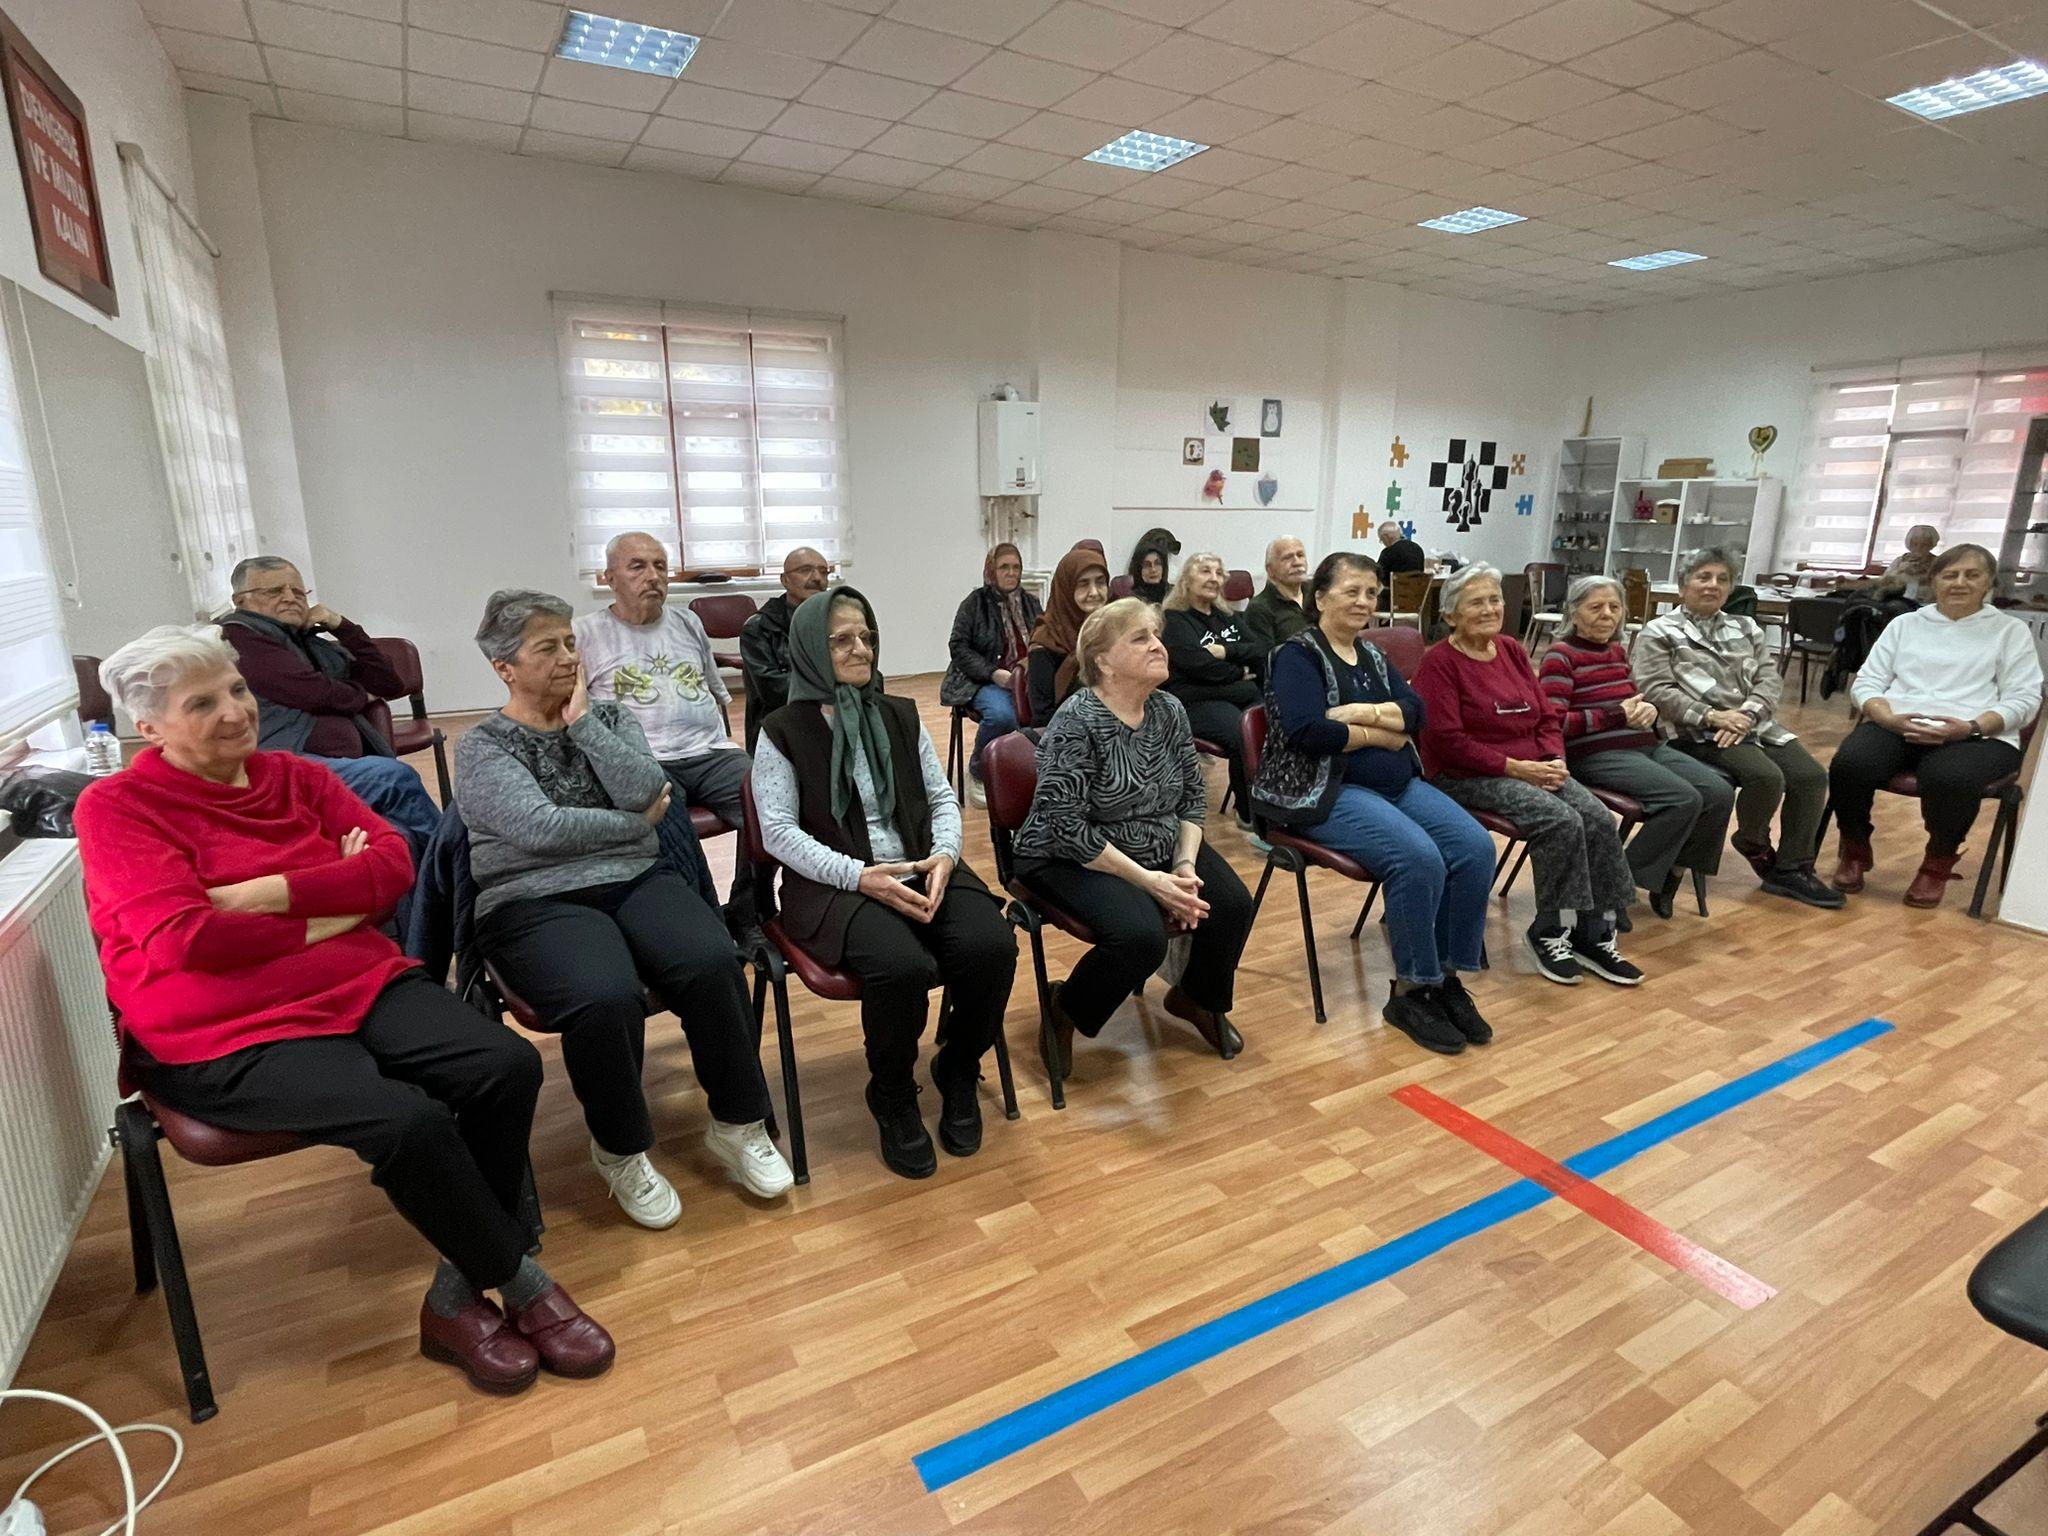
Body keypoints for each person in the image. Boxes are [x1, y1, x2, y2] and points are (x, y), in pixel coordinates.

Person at [76, 624, 613, 1394]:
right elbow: (184, 940)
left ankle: (455, 1296)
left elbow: (395, 867)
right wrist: (335, 896)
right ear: (149, 726)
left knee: (504, 1063)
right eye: (203, 702)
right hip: (220, 1028)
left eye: (237, 689)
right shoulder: (118, 807)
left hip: (356, 983)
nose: (235, 711)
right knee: (408, 1122)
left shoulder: (295, 777)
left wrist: (270, 895)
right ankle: (522, 1284)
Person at [457, 589, 792, 1230]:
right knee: (605, 994)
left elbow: (649, 787)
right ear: (504, 667)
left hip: (634, 879)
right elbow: (538, 830)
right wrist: (634, 826)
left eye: (570, 642)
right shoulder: (484, 746)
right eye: (546, 647)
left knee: (711, 958)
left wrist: (583, 724)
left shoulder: (608, 720)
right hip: (532, 898)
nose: (567, 656)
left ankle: (737, 1122)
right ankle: (619, 1149)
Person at [754, 588, 1017, 1180]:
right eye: (841, 639)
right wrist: (858, 876)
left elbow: (943, 795)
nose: (860, 649)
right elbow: (778, 833)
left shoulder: (899, 713)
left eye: (866, 636)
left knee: (991, 947)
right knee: (901, 967)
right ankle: (894, 1094)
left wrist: (946, 854)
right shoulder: (783, 729)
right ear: (810, 651)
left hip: (921, 864)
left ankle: (956, 1068)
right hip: (835, 883)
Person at [1253, 555, 1496, 1055]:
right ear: (1319, 597)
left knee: (1474, 847)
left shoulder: (1372, 656)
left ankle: (1445, 977)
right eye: (1352, 592)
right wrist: (1378, 735)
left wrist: (1363, 714)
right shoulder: (1296, 655)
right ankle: (1411, 990)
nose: (1365, 602)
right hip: (1327, 789)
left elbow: (1416, 712)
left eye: (1372, 593)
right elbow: (1306, 731)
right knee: (1418, 858)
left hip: (1396, 784)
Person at [1013, 597, 1253, 1073]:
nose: (1157, 646)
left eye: (1156, 635)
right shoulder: (1077, 720)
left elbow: (1190, 796)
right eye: (1140, 638)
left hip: (1156, 838)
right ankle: (1067, 1008)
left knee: (1231, 904)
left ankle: (1196, 998)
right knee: (1142, 936)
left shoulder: (1168, 710)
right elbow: (1066, 825)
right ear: (1102, 661)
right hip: (1067, 852)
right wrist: (1151, 882)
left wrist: (1183, 866)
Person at [1411, 563, 1644, 987]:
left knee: (1597, 818)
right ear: (1450, 615)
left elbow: (1546, 717)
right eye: (1476, 602)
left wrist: (1554, 758)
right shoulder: (1439, 663)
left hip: (1534, 765)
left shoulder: (1513, 650)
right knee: (1560, 820)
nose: (1489, 609)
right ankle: (1551, 930)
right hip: (1468, 773)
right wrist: (1515, 768)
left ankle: (1597, 931)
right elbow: (1446, 741)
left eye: (1495, 600)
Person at [1830, 544, 2042, 906]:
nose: (1960, 582)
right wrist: (1887, 717)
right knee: (1851, 763)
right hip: (1898, 722)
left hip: (1976, 734)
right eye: (1950, 574)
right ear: (1935, 581)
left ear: (1989, 581)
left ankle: (1937, 863)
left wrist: (1970, 727)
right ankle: (1854, 847)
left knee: (1949, 778)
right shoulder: (1906, 624)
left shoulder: (2009, 632)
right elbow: (1867, 683)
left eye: (1971, 575)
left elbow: (2024, 700)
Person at [1634, 548, 1842, 909]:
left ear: (1730, 589)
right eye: (1703, 577)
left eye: (1722, 579)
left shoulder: (1746, 628)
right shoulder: (1660, 632)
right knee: (1765, 777)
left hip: (1753, 723)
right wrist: (1713, 717)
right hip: (1695, 731)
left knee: (1810, 776)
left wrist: (1747, 714)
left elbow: (1768, 679)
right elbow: (1656, 691)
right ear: (1683, 587)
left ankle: (1792, 869)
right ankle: (1754, 841)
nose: (1713, 585)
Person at [574, 531, 756, 937]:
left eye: (660, 566)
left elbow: (715, 689)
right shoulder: (584, 632)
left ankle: (749, 911)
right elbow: (575, 713)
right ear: (609, 579)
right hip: (642, 759)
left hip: (710, 750)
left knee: (769, 801)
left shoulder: (688, 621)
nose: (653, 576)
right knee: (666, 823)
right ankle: (699, 925)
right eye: (637, 566)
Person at [219, 556, 441, 862]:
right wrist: (360, 694)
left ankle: (434, 898)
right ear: (241, 600)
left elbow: (389, 683)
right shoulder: (239, 637)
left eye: (298, 592)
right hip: (283, 766)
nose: (289, 598)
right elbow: (311, 691)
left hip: (341, 764)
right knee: (395, 778)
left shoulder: (308, 641)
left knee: (398, 832)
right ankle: (455, 875)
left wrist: (342, 626)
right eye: (274, 592)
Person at [1538, 575, 1735, 918]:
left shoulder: (1616, 651)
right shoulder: (1561, 656)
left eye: (1614, 607)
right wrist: (1615, 715)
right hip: (1595, 752)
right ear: (1574, 612)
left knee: (1719, 792)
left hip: (1644, 745)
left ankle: (1672, 872)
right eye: (1595, 607)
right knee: (1682, 798)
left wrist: (1648, 710)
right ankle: (1614, 887)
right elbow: (1552, 722)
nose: (1607, 615)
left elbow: (1633, 701)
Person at [1161, 552, 1261, 832]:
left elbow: (1260, 650)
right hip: (1197, 701)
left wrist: (1227, 651)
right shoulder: (1175, 619)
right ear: (1186, 580)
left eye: (1219, 573)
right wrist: (1240, 671)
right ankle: (1249, 812)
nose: (1214, 578)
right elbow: (1199, 666)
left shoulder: (1227, 616)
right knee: (1244, 733)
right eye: (1206, 571)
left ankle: (1280, 804)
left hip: (1236, 694)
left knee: (1276, 722)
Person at [939, 542, 1043, 806]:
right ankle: (978, 770)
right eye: (1004, 567)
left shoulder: (1032, 603)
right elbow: (958, 647)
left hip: (1025, 679)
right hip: (981, 680)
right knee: (1003, 715)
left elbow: (1043, 639)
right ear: (991, 571)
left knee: (1047, 711)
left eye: (1016, 567)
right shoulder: (974, 604)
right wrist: (993, 673)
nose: (1011, 573)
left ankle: (1024, 770)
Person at [740, 546, 830, 752]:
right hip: (779, 728)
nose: (817, 578)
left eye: (824, 572)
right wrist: (836, 686)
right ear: (784, 580)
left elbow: (870, 676)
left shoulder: (837, 620)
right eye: (805, 570)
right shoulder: (759, 627)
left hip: (833, 719)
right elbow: (774, 690)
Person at [1027, 543, 1110, 725]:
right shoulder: (1046, 642)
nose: (1094, 592)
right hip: (1064, 738)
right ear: (1066, 589)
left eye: (1100, 582)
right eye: (1083, 584)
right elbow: (1043, 716)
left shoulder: (1115, 632)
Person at [1242, 535, 1311, 663]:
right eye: (1287, 558)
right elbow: (1264, 660)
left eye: (1300, 555)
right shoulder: (1259, 608)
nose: (1297, 562)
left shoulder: (1319, 596)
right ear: (1270, 569)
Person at [1873, 523, 1940, 604]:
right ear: (1909, 544)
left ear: (1931, 545)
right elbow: (1885, 581)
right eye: (1915, 544)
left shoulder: (1938, 562)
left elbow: (1941, 585)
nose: (1918, 548)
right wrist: (1900, 570)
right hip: (1897, 599)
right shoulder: (1900, 560)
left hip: (1924, 603)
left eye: (1924, 545)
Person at [1376, 521, 1426, 586]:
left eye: (1381, 540)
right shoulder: (1417, 548)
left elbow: (1378, 575)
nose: (1383, 543)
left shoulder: (1387, 552)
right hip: (1418, 592)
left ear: (1385, 537)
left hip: (1394, 593)